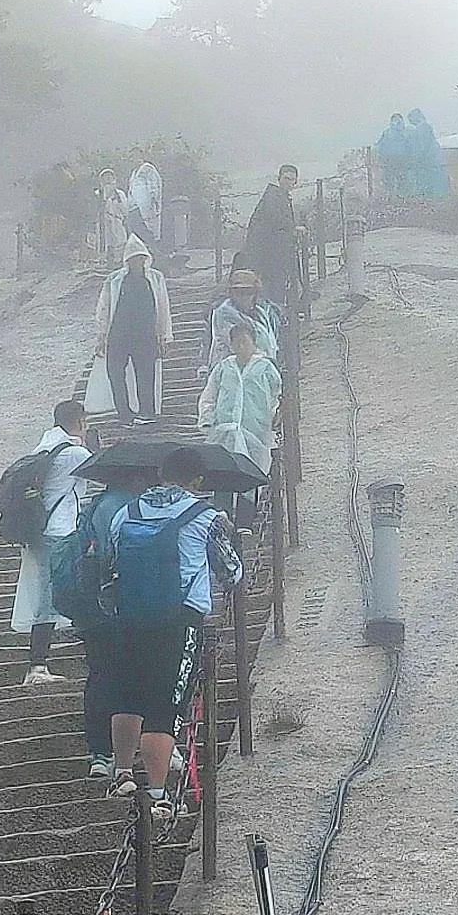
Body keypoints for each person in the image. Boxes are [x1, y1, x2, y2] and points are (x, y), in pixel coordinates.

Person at [86, 482, 238, 807]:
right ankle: (158, 795)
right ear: (198, 480)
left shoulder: (126, 513)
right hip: (179, 621)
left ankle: (123, 775)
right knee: (164, 708)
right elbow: (231, 572)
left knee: (126, 700)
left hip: (130, 617)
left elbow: (108, 565)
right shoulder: (204, 516)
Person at [9, 397, 92, 693]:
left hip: (39, 530)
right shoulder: (74, 453)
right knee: (54, 593)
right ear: (80, 421)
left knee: (50, 591)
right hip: (59, 531)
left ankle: (42, 661)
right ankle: (37, 665)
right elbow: (100, 471)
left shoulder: (44, 446)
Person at [100, 239, 170, 427]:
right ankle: (124, 413)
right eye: (132, 259)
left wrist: (163, 336)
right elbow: (105, 308)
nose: (136, 262)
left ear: (145, 259)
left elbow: (163, 307)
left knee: (146, 373)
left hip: (145, 335)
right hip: (118, 334)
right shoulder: (115, 280)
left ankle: (147, 411)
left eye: (140, 258)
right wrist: (102, 336)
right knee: (115, 373)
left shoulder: (155, 278)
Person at [198, 317, 277, 471]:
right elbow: (209, 396)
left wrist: (273, 416)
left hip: (257, 430)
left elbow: (276, 395)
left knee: (256, 471)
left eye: (245, 342)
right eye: (236, 342)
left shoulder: (266, 368)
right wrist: (208, 419)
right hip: (226, 431)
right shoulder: (223, 368)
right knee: (228, 471)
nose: (241, 346)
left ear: (254, 343)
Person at [237, 162, 307, 319]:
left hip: (276, 253)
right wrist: (294, 229)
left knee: (280, 285)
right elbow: (275, 220)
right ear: (279, 178)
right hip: (267, 254)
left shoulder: (281, 197)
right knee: (272, 288)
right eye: (286, 178)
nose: (289, 182)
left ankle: (279, 314)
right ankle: (273, 317)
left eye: (292, 180)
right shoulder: (273, 197)